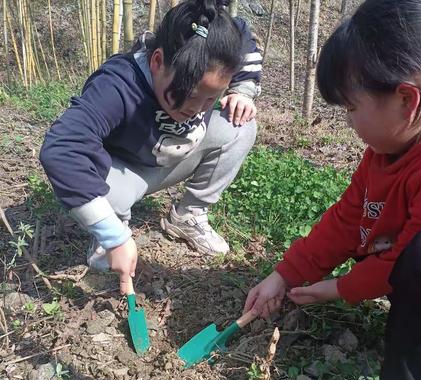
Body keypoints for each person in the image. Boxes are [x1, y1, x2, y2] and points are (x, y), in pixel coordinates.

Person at [244, 0, 421, 380]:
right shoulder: (395, 143)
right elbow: (352, 216)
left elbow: (415, 256)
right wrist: (285, 275)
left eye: (351, 108)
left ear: (407, 99)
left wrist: (338, 289)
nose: (348, 121)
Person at [40, 0, 261, 294]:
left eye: (211, 98)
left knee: (239, 124)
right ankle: (109, 231)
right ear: (157, 62)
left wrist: (242, 91)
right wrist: (114, 236)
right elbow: (60, 148)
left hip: (173, 155)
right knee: (109, 198)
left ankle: (188, 216)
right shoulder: (118, 85)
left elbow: (243, 38)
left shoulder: (220, 46)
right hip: (124, 171)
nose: (197, 110)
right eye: (189, 95)